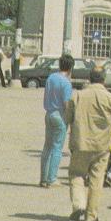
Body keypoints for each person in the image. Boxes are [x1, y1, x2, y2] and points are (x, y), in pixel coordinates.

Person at [64, 67, 111, 221]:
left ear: (89, 78)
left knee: (77, 174)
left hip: (80, 142)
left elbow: (67, 118)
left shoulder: (77, 95)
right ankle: (91, 215)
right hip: (102, 145)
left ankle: (79, 204)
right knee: (96, 180)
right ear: (104, 80)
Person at [40, 54, 74, 188]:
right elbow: (66, 103)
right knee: (57, 147)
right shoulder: (66, 83)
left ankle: (43, 178)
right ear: (71, 68)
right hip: (60, 116)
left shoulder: (51, 78)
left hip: (48, 113)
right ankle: (52, 178)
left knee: (47, 147)